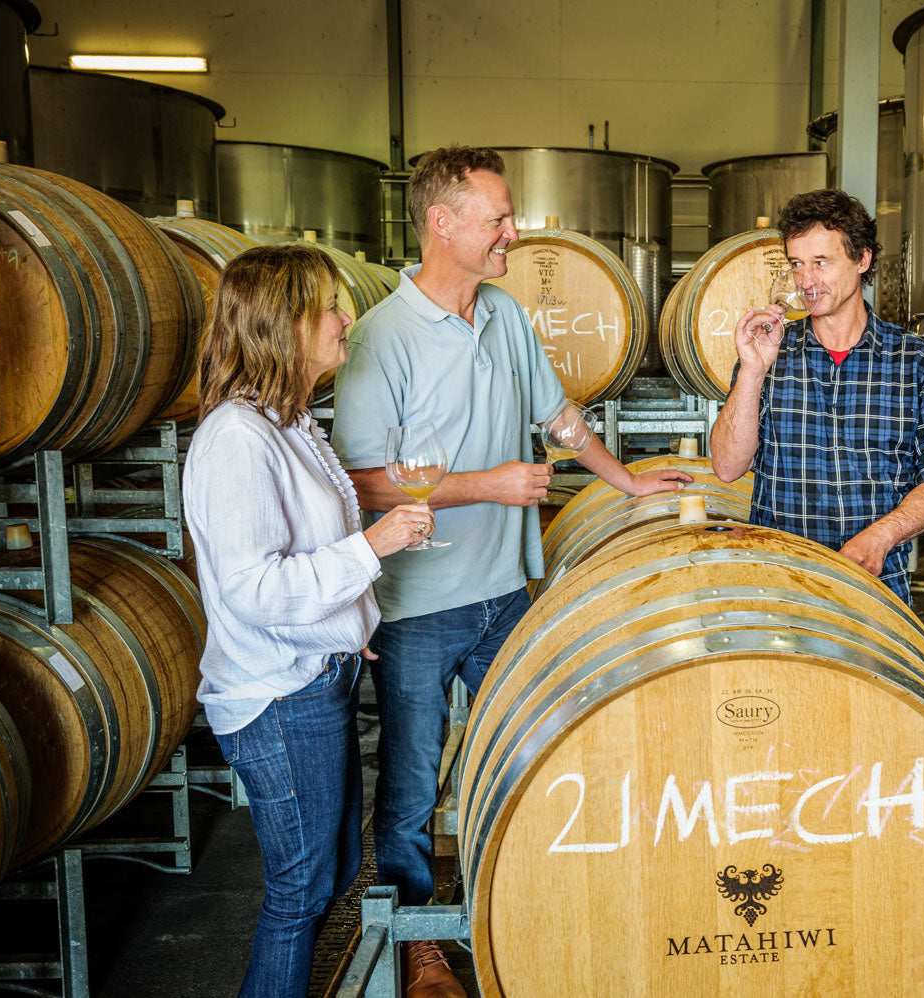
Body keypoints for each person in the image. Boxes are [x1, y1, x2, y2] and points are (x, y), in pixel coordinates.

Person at [330, 145, 690, 997]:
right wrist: (484, 487)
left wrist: (626, 478)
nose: (512, 232)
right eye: (496, 217)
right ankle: (420, 942)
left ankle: (518, 905)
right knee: (414, 782)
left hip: (506, 597)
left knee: (528, 759)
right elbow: (360, 478)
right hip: (418, 602)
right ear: (440, 223)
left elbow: (558, 416)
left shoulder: (502, 313)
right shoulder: (383, 337)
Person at [183, 245, 434, 997]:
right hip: (277, 698)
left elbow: (305, 551)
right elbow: (254, 589)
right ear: (283, 323)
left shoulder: (288, 421)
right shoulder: (236, 439)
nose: (346, 318)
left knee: (331, 875)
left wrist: (350, 624)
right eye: (329, 305)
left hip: (315, 679)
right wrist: (375, 545)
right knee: (300, 891)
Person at [709, 188, 924, 602]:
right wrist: (753, 372)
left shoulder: (913, 360)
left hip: (877, 586)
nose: (806, 282)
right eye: (797, 265)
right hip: (782, 583)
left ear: (862, 259)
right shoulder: (770, 354)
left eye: (821, 263)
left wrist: (883, 536)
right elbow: (726, 467)